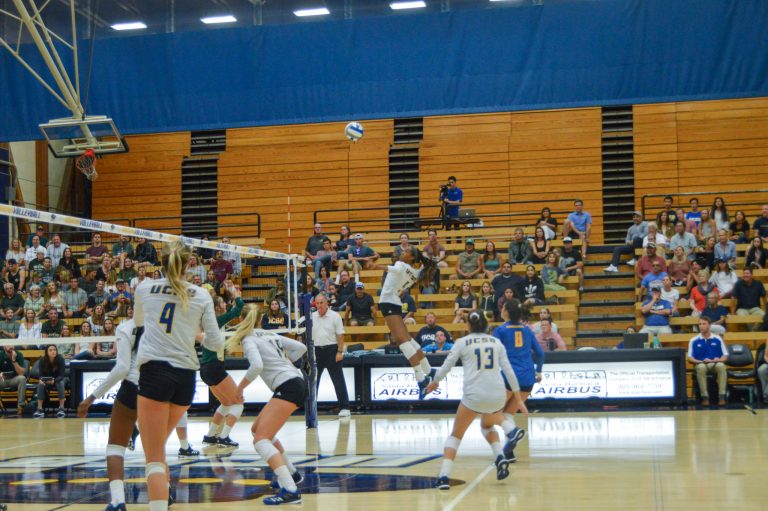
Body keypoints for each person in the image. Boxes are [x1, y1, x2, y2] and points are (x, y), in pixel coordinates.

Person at [133, 239, 223, 511]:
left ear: (160, 262)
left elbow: (139, 324)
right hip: (186, 377)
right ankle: (167, 496)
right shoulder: (201, 293)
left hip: (155, 374)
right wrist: (194, 336)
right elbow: (216, 343)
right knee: (157, 447)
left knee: (153, 458)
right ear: (189, 263)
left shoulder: (144, 288)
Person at [426, 312, 527, 490]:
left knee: (456, 436)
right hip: (497, 394)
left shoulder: (462, 342)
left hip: (474, 396)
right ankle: (502, 449)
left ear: (468, 326)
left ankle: (443, 476)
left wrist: (434, 383)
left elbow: (446, 367)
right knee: (487, 425)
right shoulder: (496, 342)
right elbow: (509, 371)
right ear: (486, 324)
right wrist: (518, 399)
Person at [228, 304, 307, 505]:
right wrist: (289, 363)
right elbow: (301, 347)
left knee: (261, 440)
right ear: (259, 319)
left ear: (241, 320)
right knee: (258, 431)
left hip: (288, 386)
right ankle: (293, 474)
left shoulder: (249, 339)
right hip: (294, 382)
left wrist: (239, 389)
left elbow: (257, 366)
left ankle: (290, 490)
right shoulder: (267, 334)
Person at [77, 317, 141, 511]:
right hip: (162, 389)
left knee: (115, 448)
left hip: (134, 386)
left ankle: (118, 501)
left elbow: (121, 368)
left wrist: (90, 398)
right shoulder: (165, 323)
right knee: (156, 450)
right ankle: (165, 492)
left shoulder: (127, 327)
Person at [374, 245, 438, 397]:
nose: (403, 252)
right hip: (394, 302)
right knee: (408, 339)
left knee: (402, 342)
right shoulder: (415, 273)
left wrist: (375, 265)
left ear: (411, 258)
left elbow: (391, 270)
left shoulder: (400, 265)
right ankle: (429, 370)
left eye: (407, 251)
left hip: (388, 302)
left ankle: (421, 379)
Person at [493, 299, 542, 462]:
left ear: (506, 311)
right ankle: (509, 452)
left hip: (509, 377)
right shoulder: (528, 330)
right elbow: (541, 353)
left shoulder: (500, 330)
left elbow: (493, 355)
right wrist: (539, 371)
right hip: (528, 378)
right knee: (508, 413)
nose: (501, 310)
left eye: (502, 308)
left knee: (495, 413)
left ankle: (512, 435)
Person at [200, 284, 246, 449]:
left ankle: (211, 436)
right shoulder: (216, 320)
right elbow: (238, 309)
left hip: (205, 369)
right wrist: (235, 294)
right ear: (217, 307)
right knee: (239, 401)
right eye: (222, 303)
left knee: (227, 403)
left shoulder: (210, 321)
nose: (225, 304)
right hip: (214, 367)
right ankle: (224, 437)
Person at [312, 294, 350, 418]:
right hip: (317, 351)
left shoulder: (335, 316)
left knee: (338, 380)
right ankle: (312, 407)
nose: (319, 306)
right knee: (313, 381)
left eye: (321, 303)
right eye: (317, 303)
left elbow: (340, 335)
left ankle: (345, 407)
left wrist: (339, 351)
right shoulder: (312, 317)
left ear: (326, 303)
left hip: (332, 350)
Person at [687, 317, 728, 407]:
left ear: (709, 326)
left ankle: (722, 397)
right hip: (701, 363)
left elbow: (725, 356)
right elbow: (690, 357)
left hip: (714, 363)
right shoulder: (693, 340)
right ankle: (705, 397)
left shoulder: (717, 339)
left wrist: (717, 360)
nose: (701, 326)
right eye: (700, 324)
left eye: (704, 324)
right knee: (701, 368)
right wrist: (700, 361)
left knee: (721, 366)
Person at [31, 344, 68, 418]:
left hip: (59, 379)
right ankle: (40, 409)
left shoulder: (60, 359)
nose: (53, 352)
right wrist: (41, 380)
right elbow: (41, 375)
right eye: (50, 350)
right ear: (46, 352)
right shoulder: (42, 360)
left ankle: (61, 408)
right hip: (47, 380)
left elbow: (61, 375)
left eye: (54, 350)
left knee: (60, 383)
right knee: (40, 384)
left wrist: (54, 380)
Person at [0, 344, 27, 415]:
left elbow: (21, 373)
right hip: (2, 380)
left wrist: (14, 360)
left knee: (22, 378)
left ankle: (20, 406)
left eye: (12, 344)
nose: (10, 346)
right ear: (4, 346)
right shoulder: (0, 354)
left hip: (14, 379)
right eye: (8, 344)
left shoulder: (19, 354)